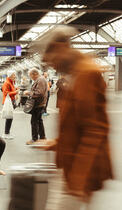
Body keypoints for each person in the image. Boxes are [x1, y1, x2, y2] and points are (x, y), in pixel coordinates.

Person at [39, 26, 113, 209]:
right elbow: (77, 123)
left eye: (52, 60)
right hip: (72, 166)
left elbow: (94, 129)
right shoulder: (75, 73)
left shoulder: (86, 73)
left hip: (81, 170)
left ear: (60, 48)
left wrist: (79, 179)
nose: (53, 66)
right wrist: (57, 143)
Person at [24, 69, 48, 145]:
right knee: (39, 121)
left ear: (34, 74)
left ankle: (34, 139)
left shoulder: (40, 80)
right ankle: (42, 137)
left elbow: (39, 93)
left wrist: (29, 93)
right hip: (40, 104)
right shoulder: (41, 79)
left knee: (34, 121)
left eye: (30, 76)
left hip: (38, 104)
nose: (30, 77)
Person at [2, 70, 19, 139]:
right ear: (10, 75)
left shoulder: (12, 82)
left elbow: (13, 89)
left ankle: (7, 132)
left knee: (10, 118)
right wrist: (16, 92)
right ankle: (6, 133)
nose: (15, 76)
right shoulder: (7, 83)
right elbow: (6, 93)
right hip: (8, 102)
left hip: (12, 101)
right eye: (14, 75)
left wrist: (16, 89)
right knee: (9, 118)